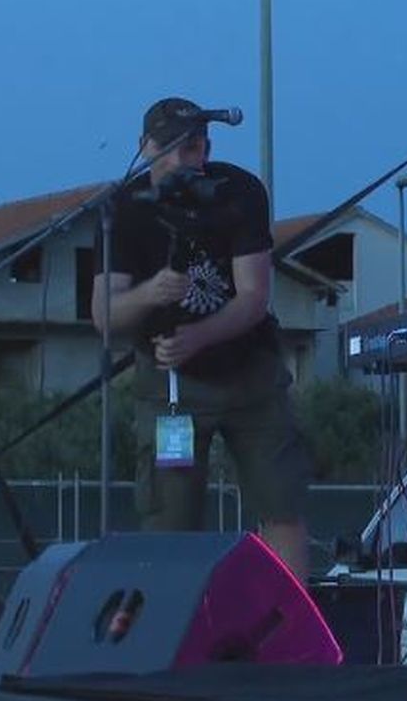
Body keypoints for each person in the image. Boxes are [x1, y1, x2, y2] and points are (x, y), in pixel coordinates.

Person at [92, 97, 312, 581]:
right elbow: (105, 314)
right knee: (169, 518)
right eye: (167, 147)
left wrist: (198, 336)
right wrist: (151, 293)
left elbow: (254, 296)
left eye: (191, 147)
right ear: (144, 147)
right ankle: (174, 623)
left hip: (251, 373)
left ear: (206, 149)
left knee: (281, 503)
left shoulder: (239, 193)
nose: (179, 158)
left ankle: (292, 621)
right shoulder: (122, 209)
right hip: (170, 385)